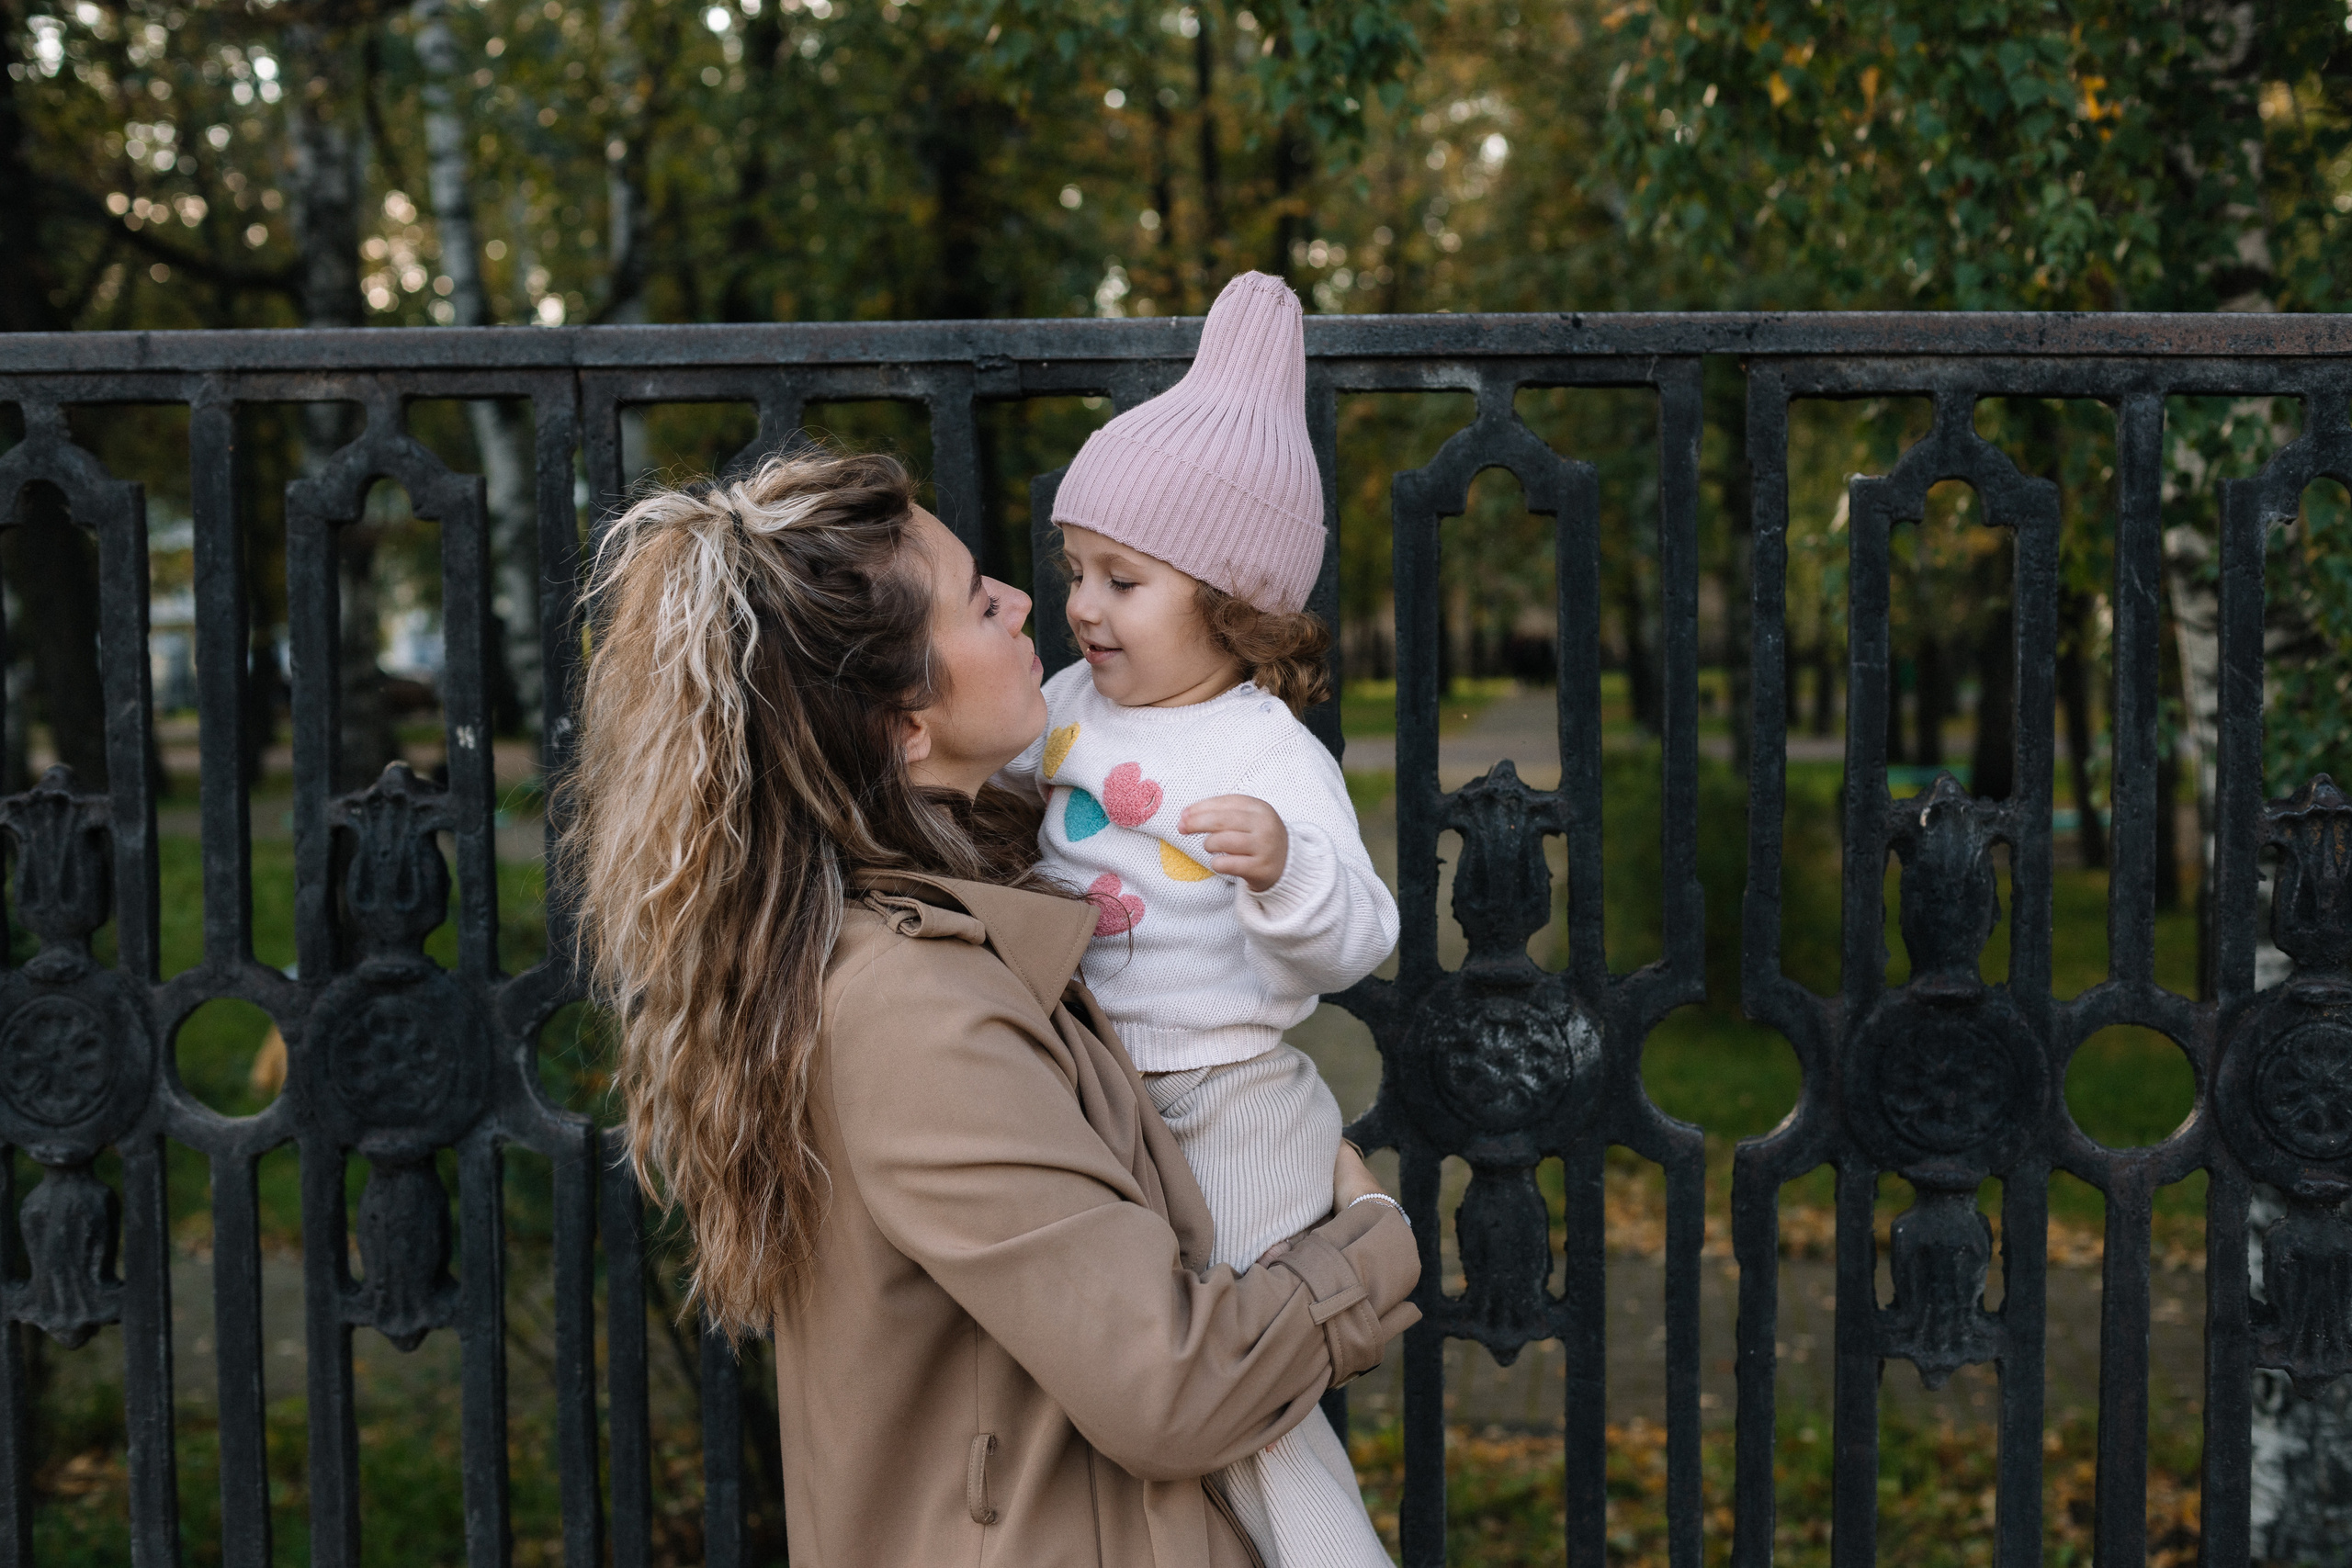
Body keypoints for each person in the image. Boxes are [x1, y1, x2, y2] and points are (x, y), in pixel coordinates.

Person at [560, 445, 1419, 1567]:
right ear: (905, 724)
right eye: (977, 602)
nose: (1029, 601)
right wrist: (1372, 1245)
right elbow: (1172, 1392)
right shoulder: (916, 1009)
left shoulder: (966, 904)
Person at [996, 271, 1402, 1567]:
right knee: (1121, 1365)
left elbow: (1361, 938)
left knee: (1240, 1384)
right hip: (1093, 1087)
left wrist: (1285, 870)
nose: (1084, 604)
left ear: (1235, 603)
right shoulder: (1064, 701)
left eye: (1123, 577)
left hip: (1229, 1098)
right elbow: (985, 804)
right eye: (1077, 570)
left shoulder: (1271, 756)